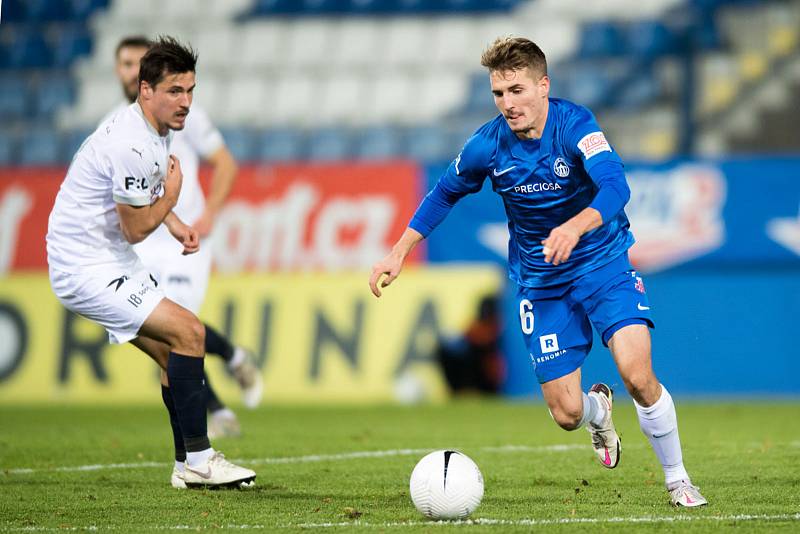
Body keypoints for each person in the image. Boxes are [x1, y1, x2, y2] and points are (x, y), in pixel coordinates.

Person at [369, 37, 707, 508]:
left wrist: (576, 225)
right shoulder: (486, 145)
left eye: (517, 90)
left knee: (638, 375)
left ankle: (678, 480)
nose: (508, 104)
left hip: (602, 264)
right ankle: (598, 410)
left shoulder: (577, 125)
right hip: (541, 282)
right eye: (498, 94)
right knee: (567, 413)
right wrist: (399, 251)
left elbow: (615, 186)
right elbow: (444, 192)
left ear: (543, 86)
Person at [47, 36, 256, 489]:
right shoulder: (130, 142)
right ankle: (200, 460)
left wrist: (176, 223)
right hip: (85, 264)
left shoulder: (156, 129)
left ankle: (187, 464)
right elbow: (135, 228)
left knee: (170, 352)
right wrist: (173, 201)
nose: (186, 102)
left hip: (106, 257)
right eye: (175, 92)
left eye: (190, 90)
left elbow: (146, 198)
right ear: (146, 90)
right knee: (190, 331)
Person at [110, 36, 263, 440]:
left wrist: (209, 214)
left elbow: (225, 163)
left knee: (179, 325)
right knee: (169, 333)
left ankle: (210, 419)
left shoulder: (184, 113)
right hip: (144, 241)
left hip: (185, 237)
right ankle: (228, 372)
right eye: (124, 64)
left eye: (137, 63)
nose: (130, 71)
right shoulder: (117, 126)